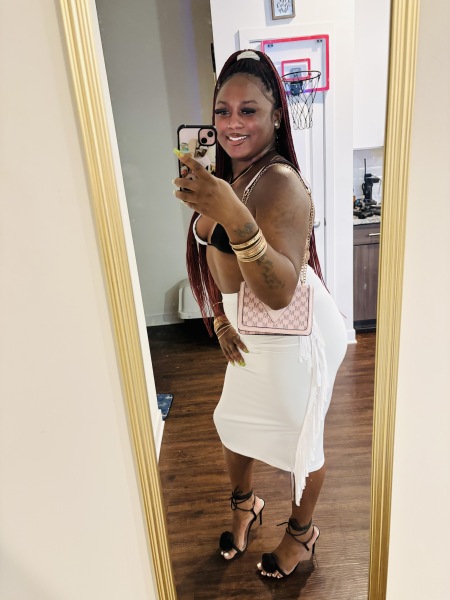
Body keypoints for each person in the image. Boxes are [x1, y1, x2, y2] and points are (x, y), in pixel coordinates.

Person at [173, 49, 347, 579]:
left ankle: (301, 533)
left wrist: (234, 216)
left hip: (295, 333)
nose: (232, 123)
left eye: (248, 110)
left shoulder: (279, 183)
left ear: (276, 116)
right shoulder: (229, 176)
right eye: (222, 110)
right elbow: (214, 259)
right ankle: (246, 504)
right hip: (248, 328)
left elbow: (279, 292)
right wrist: (220, 318)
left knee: (301, 440)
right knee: (233, 425)